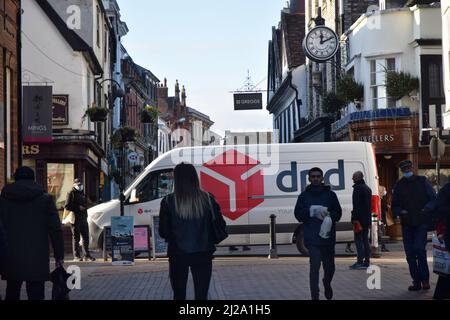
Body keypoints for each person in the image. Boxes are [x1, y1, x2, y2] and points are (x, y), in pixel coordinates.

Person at [159, 163, 226, 300]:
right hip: (203, 253)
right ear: (195, 178)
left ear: (176, 180)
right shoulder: (207, 199)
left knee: (179, 295)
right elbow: (220, 224)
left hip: (178, 255)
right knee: (202, 295)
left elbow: (163, 232)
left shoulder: (168, 201)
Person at [0, 166, 64, 300]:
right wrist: (59, 256)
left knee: (12, 291)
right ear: (33, 179)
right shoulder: (45, 199)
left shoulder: (4, 199)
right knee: (36, 293)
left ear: (15, 179)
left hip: (10, 255)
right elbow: (56, 230)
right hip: (37, 256)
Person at [294, 167, 342, 300]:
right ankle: (314, 295)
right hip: (312, 238)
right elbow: (298, 214)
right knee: (314, 267)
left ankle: (327, 283)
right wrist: (310, 211)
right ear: (309, 179)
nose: (315, 178)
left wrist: (329, 214)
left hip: (327, 237)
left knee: (330, 268)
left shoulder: (331, 195)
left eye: (318, 176)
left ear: (322, 178)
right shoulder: (303, 196)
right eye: (313, 176)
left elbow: (338, 214)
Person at [392, 159, 436, 291]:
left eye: (407, 169)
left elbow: (433, 198)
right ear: (402, 171)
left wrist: (426, 209)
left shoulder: (423, 181)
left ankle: (424, 280)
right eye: (404, 170)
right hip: (407, 223)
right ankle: (416, 280)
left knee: (419, 250)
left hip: (421, 222)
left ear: (412, 168)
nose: (406, 171)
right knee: (410, 254)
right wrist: (400, 211)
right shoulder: (399, 185)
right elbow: (395, 205)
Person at [65, 178, 95, 262]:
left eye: (81, 184)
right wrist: (78, 207)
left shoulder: (83, 193)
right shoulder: (71, 193)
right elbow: (67, 206)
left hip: (83, 218)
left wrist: (88, 204)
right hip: (75, 218)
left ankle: (86, 255)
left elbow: (87, 203)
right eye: (78, 185)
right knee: (76, 238)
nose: (80, 186)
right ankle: (76, 256)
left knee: (86, 237)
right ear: (74, 185)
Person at [349, 171, 372, 270]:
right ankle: (367, 261)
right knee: (365, 240)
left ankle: (360, 261)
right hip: (366, 219)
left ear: (358, 177)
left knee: (358, 241)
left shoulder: (357, 189)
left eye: (354, 177)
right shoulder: (367, 188)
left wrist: (354, 218)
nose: (352, 179)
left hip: (359, 219)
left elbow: (356, 205)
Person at [379, 186, 390, 252]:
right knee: (383, 233)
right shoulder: (381, 200)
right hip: (382, 219)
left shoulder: (381, 199)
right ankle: (383, 247)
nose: (385, 191)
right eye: (384, 190)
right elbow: (384, 209)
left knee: (382, 233)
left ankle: (383, 246)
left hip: (381, 219)